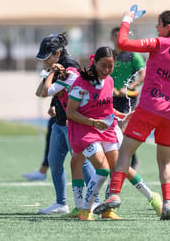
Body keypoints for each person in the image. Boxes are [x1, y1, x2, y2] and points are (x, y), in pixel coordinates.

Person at [93, 8, 170, 220]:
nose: (157, 28)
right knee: (165, 161)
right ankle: (167, 202)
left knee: (125, 152)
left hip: (149, 107)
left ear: (167, 27)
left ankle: (114, 195)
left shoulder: (158, 43)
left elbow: (122, 43)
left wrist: (127, 18)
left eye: (159, 24)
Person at [66, 46, 162, 220]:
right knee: (102, 170)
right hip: (85, 130)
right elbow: (70, 112)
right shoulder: (81, 83)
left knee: (119, 168)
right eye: (103, 65)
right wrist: (92, 122)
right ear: (94, 63)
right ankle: (84, 210)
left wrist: (124, 115)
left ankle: (151, 198)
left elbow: (107, 110)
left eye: (111, 66)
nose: (107, 70)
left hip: (106, 129)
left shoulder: (109, 81)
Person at [34, 33, 95, 214]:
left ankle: (95, 200)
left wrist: (51, 74)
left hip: (73, 123)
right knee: (54, 161)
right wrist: (53, 103)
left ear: (57, 53)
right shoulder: (55, 67)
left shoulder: (71, 68)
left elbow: (65, 91)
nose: (44, 61)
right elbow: (48, 92)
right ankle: (61, 203)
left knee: (81, 162)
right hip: (59, 121)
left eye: (47, 57)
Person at [110, 27, 146, 169]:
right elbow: (100, 72)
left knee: (122, 128)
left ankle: (124, 161)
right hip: (110, 97)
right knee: (111, 129)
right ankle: (130, 158)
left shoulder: (133, 55)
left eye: (120, 36)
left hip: (128, 98)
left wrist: (130, 86)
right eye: (115, 36)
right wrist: (109, 87)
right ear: (111, 38)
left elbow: (143, 74)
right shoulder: (109, 54)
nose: (117, 39)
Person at [22, 110, 56, 181]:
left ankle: (83, 175)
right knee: (50, 147)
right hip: (58, 116)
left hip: (69, 116)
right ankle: (42, 172)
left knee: (77, 152)